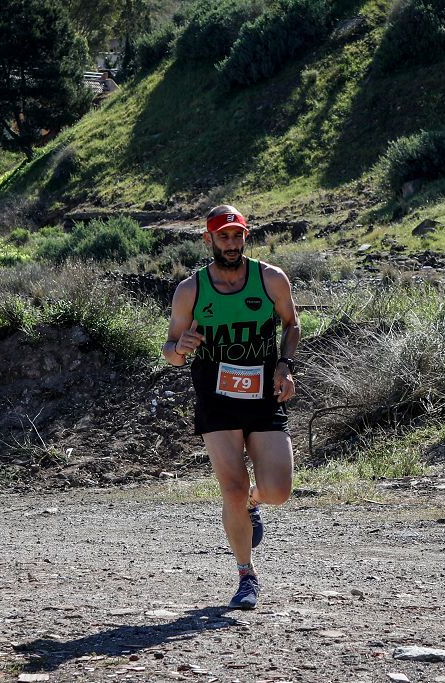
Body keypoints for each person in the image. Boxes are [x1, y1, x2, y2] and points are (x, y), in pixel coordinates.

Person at [161, 205, 299, 610]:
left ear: (246, 236)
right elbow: (170, 350)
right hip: (215, 400)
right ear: (209, 240)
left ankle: (255, 503)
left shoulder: (270, 278)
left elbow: (292, 324)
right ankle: (246, 575)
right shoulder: (191, 289)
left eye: (237, 235)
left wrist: (285, 365)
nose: (232, 243)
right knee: (232, 489)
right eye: (223, 236)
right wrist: (179, 348)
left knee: (278, 491)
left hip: (263, 397)